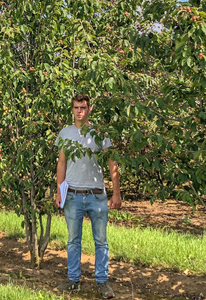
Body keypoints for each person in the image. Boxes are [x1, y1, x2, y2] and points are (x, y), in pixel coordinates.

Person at [55, 94, 121, 298]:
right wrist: (59, 190)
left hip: (96, 195)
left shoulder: (99, 134)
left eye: (83, 107)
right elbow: (62, 163)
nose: (79, 111)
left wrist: (116, 192)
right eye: (76, 107)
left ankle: (102, 282)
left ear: (89, 109)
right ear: (72, 109)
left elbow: (112, 163)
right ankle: (73, 280)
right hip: (73, 195)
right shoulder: (65, 133)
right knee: (73, 240)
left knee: (101, 241)